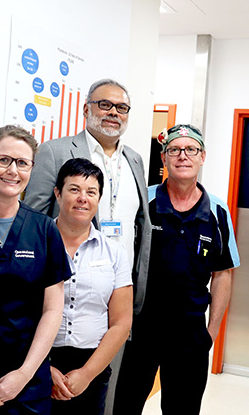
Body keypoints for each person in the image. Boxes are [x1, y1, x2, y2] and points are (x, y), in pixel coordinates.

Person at [112, 124, 240, 415]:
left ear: (202, 156)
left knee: (182, 409)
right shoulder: (144, 201)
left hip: (190, 335)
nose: (183, 156)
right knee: (125, 406)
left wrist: (211, 332)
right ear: (164, 157)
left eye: (190, 149)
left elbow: (223, 274)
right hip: (140, 328)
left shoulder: (218, 212)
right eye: (175, 150)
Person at [25, 79, 151, 319]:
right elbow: (34, 220)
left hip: (119, 286)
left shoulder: (134, 160)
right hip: (66, 287)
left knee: (113, 351)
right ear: (86, 109)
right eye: (105, 104)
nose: (113, 112)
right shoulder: (54, 152)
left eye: (121, 107)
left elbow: (141, 226)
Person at [0, 125, 73, 414]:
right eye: (3, 160)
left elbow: (52, 311)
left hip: (27, 383)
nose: (13, 171)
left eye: (23, 163)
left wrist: (25, 373)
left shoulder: (44, 229)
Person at [49, 158, 133, 415]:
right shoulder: (36, 242)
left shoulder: (114, 253)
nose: (83, 198)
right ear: (58, 193)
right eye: (74, 189)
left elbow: (121, 322)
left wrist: (86, 374)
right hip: (38, 362)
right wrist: (43, 369)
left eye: (91, 192)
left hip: (92, 365)